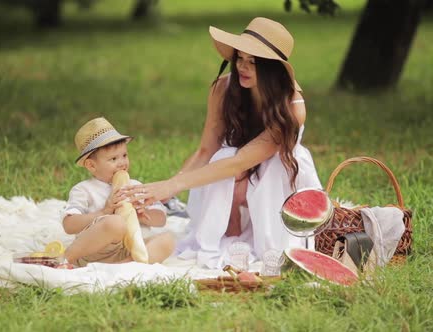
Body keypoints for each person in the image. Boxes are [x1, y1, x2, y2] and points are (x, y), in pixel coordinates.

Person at [124, 17, 322, 268]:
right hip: (233, 166)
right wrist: (165, 191)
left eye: (253, 62)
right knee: (222, 154)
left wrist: (172, 185)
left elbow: (239, 163)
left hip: (278, 174)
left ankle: (262, 238)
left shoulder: (291, 108)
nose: (242, 67)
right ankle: (226, 233)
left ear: (272, 70)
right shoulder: (223, 89)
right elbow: (206, 149)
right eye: (239, 58)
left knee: (241, 163)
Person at [62, 117, 175, 267]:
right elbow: (69, 225)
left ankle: (123, 267)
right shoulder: (84, 190)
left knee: (168, 240)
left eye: (124, 155)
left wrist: (141, 215)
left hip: (129, 251)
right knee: (115, 223)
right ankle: (66, 258)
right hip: (94, 252)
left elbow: (161, 219)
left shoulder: (135, 186)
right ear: (91, 165)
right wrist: (104, 212)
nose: (122, 162)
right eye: (113, 158)